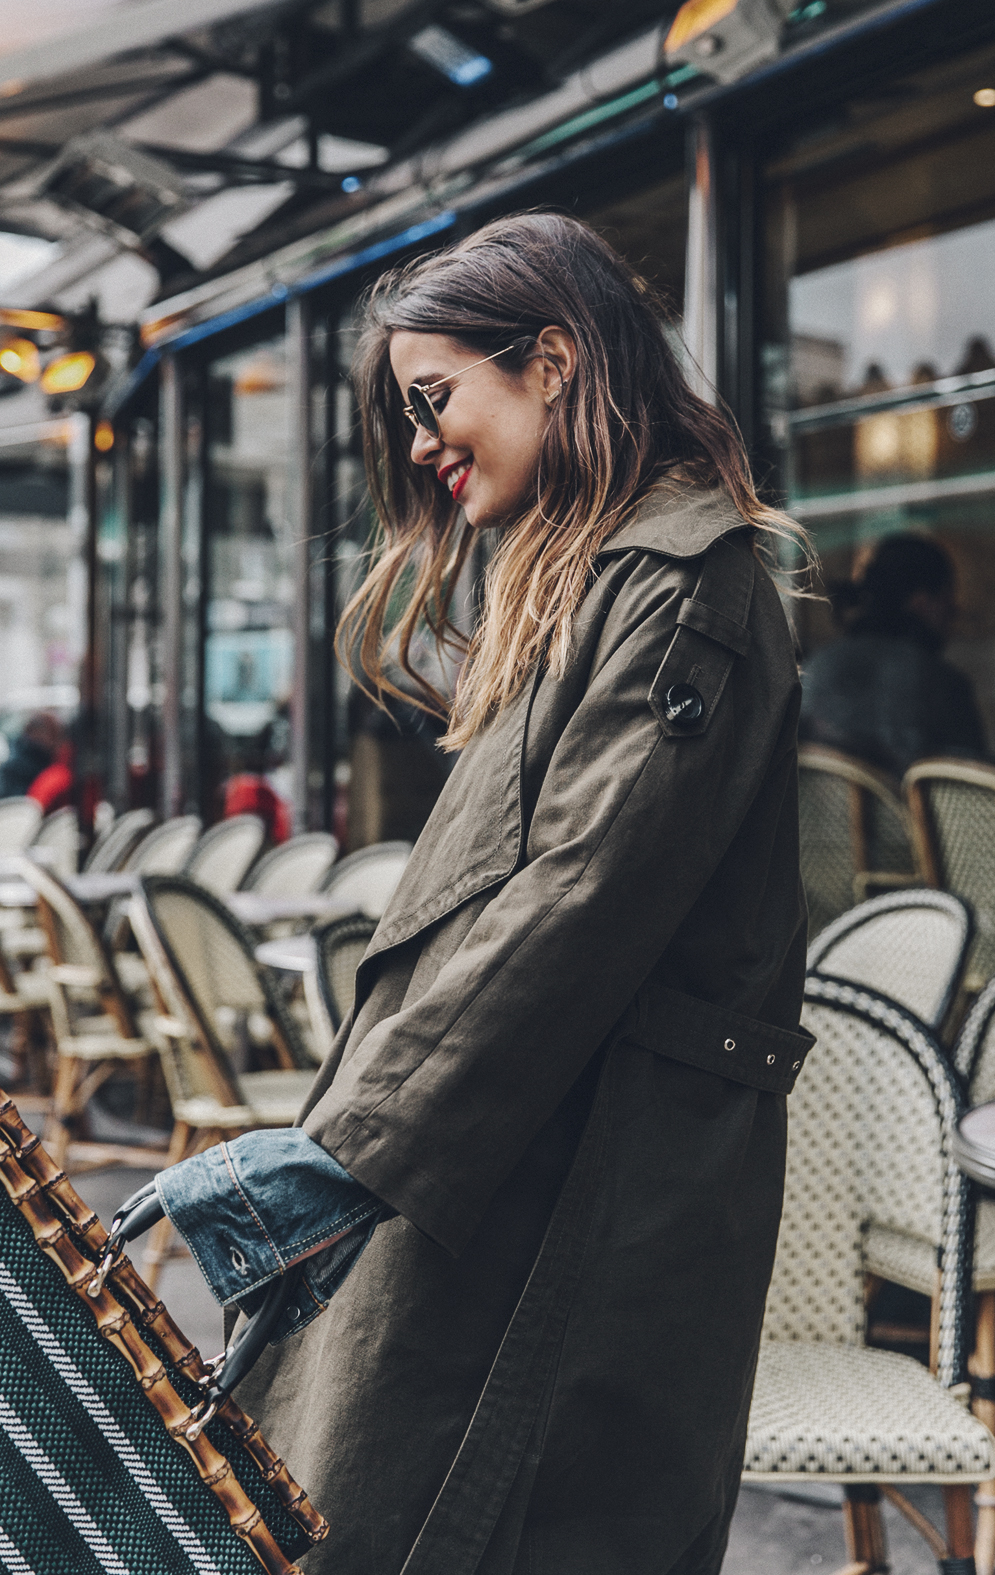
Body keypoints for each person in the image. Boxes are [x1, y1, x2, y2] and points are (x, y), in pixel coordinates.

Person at [147, 213, 814, 1575]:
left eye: (434, 397)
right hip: (501, 1165)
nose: (416, 442)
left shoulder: (684, 585)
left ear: (554, 362)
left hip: (576, 1192)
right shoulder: (600, 581)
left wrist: (341, 1157)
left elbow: (578, 898)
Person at [799, 533, 986, 779]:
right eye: (948, 599)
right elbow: (975, 789)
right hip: (911, 818)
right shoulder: (944, 683)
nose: (955, 611)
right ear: (922, 601)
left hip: (820, 818)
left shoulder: (813, 669)